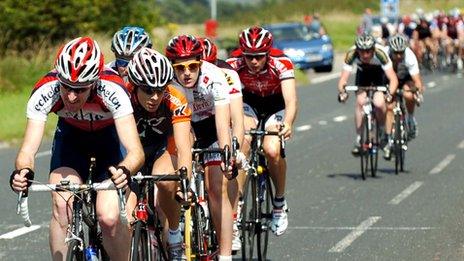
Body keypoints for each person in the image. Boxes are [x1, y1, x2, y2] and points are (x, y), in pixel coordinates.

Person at [9, 36, 144, 261]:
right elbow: (27, 150)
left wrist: (125, 170)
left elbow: (135, 151)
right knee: (62, 207)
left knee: (109, 217)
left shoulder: (113, 90)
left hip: (109, 142)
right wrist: (23, 172)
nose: (71, 96)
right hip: (71, 141)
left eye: (80, 90)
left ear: (94, 83)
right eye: (66, 87)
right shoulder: (45, 90)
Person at [165, 34, 235, 261]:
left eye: (193, 66)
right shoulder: (168, 82)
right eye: (180, 67)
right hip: (183, 127)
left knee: (216, 188)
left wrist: (226, 155)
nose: (187, 73)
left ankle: (225, 255)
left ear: (201, 63)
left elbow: (223, 124)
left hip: (211, 126)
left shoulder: (214, 76)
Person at [226, 26, 298, 236]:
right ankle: (237, 205)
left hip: (275, 104)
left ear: (267, 53)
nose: (254, 62)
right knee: (243, 140)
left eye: (259, 57)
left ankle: (279, 202)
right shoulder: (233, 65)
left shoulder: (281, 63)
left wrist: (288, 122)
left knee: (272, 149)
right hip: (249, 104)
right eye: (249, 57)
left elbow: (291, 100)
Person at [125, 47, 192, 260]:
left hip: (163, 145)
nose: (154, 97)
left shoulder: (175, 97)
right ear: (135, 86)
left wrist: (185, 183)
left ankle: (174, 234)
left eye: (160, 90)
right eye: (147, 90)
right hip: (130, 149)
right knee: (125, 217)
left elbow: (183, 147)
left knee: (165, 181)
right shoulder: (123, 96)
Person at [199, 37, 245, 252]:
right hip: (190, 126)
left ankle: (227, 232)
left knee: (217, 186)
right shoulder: (181, 76)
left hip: (217, 124)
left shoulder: (225, 75)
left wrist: (233, 150)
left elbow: (235, 119)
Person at [337, 33, 398, 160]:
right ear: (357, 50)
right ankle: (359, 139)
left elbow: (393, 79)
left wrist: (389, 94)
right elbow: (343, 79)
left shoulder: (381, 53)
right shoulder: (351, 54)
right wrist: (342, 92)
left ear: (373, 50)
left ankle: (382, 130)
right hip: (363, 77)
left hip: (378, 77)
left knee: (379, 103)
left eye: (368, 52)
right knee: (360, 102)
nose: (365, 55)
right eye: (362, 51)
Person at [387, 34, 424, 139]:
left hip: (405, 78)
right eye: (396, 53)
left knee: (409, 95)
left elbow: (417, 80)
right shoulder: (385, 54)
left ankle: (410, 117)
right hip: (388, 79)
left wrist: (417, 93)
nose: (399, 56)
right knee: (388, 104)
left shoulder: (410, 56)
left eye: (401, 53)